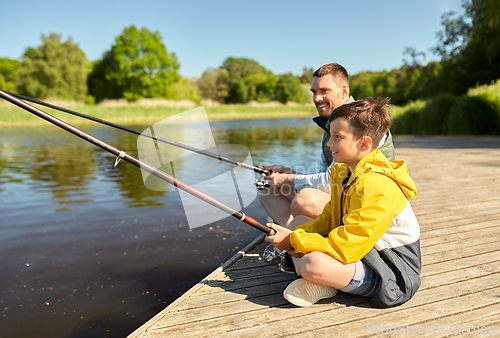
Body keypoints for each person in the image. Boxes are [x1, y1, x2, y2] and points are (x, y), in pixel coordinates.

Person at [264, 97, 421, 308]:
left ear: (364, 144)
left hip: (391, 269)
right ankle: (328, 282)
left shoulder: (377, 187)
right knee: (299, 224)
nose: (329, 143)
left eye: (338, 137)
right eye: (330, 135)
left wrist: (294, 241)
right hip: (363, 251)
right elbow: (329, 218)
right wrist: (295, 236)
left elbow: (347, 247)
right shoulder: (344, 172)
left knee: (312, 264)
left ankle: (326, 280)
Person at [259, 63, 394, 228]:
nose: (317, 98)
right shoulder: (333, 123)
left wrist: (288, 179)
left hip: (366, 205)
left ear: (344, 91)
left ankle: (293, 239)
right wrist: (291, 174)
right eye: (314, 92)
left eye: (324, 91)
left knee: (305, 199)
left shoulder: (362, 121)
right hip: (340, 196)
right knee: (268, 190)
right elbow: (327, 175)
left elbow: (330, 183)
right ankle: (288, 236)